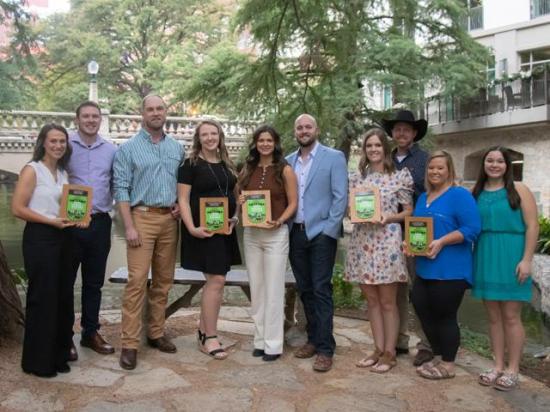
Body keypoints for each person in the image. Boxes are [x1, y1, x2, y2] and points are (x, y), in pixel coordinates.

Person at [113, 95, 184, 370]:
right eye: (150, 109)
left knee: (164, 281)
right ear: (141, 114)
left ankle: (156, 333)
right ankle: (129, 344)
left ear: (166, 112)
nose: (155, 113)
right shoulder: (128, 149)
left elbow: (182, 186)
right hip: (141, 219)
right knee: (137, 281)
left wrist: (179, 205)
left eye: (159, 108)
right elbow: (120, 188)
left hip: (169, 221)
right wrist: (128, 225)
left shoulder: (177, 148)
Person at [407, 151, 481, 380]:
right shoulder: (423, 198)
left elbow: (472, 228)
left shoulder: (459, 195)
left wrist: (442, 242)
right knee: (422, 309)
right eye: (431, 168)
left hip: (450, 269)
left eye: (440, 168)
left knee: (445, 316)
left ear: (449, 170)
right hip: (425, 268)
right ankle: (438, 355)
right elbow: (417, 228)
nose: (435, 172)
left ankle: (448, 365)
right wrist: (409, 243)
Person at [345, 128, 413, 373]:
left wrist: (389, 217)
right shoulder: (357, 178)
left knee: (387, 301)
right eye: (369, 146)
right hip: (362, 241)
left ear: (385, 148)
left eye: (377, 145)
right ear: (364, 150)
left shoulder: (399, 177)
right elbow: (350, 210)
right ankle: (377, 348)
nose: (373, 149)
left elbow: (408, 211)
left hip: (387, 241)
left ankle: (390, 353)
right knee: (372, 300)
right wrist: (354, 213)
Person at [11, 124, 77, 377]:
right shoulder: (32, 170)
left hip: (64, 237)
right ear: (43, 143)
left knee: (62, 297)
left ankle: (59, 356)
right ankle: (38, 362)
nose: (58, 145)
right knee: (42, 298)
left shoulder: (62, 172)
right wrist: (50, 221)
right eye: (53, 141)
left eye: (62, 141)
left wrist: (77, 218)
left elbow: (68, 207)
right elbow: (17, 208)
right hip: (40, 238)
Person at [472, 146, 539, 391]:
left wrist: (527, 259)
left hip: (512, 254)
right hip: (485, 253)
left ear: (507, 165)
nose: (494, 165)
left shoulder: (519, 190)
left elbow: (532, 226)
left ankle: (513, 369)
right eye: (489, 160)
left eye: (500, 161)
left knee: (511, 315)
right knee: (492, 316)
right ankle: (497, 365)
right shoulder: (476, 192)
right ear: (484, 164)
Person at [287, 114, 348, 372]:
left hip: (322, 233)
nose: (304, 130)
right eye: (299, 127)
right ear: (295, 132)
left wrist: (328, 231)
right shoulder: (288, 161)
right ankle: (312, 339)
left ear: (317, 129)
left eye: (308, 126)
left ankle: (325, 348)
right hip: (295, 233)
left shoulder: (333, 157)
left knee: (321, 289)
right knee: (306, 289)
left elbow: (340, 196)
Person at [178, 119, 241, 360]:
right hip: (202, 231)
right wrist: (191, 228)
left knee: (216, 280)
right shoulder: (190, 164)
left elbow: (235, 195)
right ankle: (211, 337)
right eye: (204, 134)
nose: (209, 138)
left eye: (213, 133)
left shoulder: (227, 165)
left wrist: (235, 217)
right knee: (216, 279)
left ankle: (204, 332)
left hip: (224, 231)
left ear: (220, 136)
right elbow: (183, 199)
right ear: (199, 138)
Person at [237, 125, 298, 361]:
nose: (264, 144)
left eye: (269, 140)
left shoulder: (285, 169)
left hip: (276, 234)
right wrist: (240, 198)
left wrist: (280, 220)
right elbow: (238, 194)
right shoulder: (248, 168)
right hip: (252, 234)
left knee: (274, 289)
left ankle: (274, 345)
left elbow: (293, 203)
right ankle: (260, 340)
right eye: (260, 140)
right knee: (258, 289)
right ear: (255, 143)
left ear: (275, 143)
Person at [66, 101, 117, 359]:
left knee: (94, 283)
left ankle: (90, 333)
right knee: (65, 281)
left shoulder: (111, 150)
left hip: (99, 221)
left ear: (100, 120)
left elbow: (118, 185)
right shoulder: (64, 146)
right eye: (85, 116)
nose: (90, 120)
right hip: (69, 223)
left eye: (95, 116)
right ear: (77, 119)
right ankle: (65, 336)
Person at [382, 109, 432, 366]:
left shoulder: (425, 160)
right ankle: (399, 339)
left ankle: (425, 343)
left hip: (416, 231)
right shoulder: (385, 160)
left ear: (414, 133)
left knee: (420, 288)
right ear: (392, 133)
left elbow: (431, 194)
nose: (401, 133)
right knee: (395, 289)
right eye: (397, 129)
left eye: (406, 129)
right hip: (388, 234)